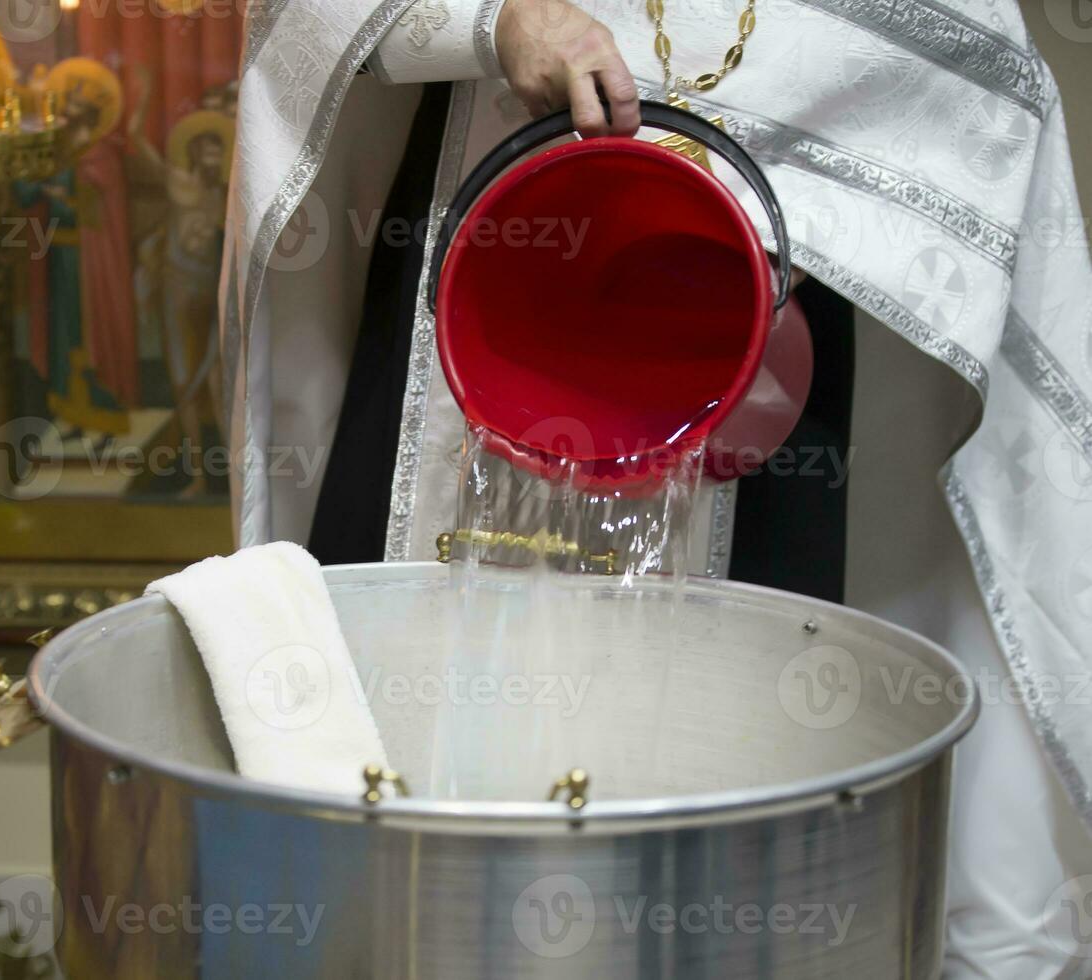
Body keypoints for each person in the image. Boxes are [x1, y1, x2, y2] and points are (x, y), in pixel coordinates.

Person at [221, 0, 1092, 975]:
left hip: (769, 307)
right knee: (388, 795)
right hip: (479, 250)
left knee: (749, 791)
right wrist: (489, 20)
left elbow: (963, 57)